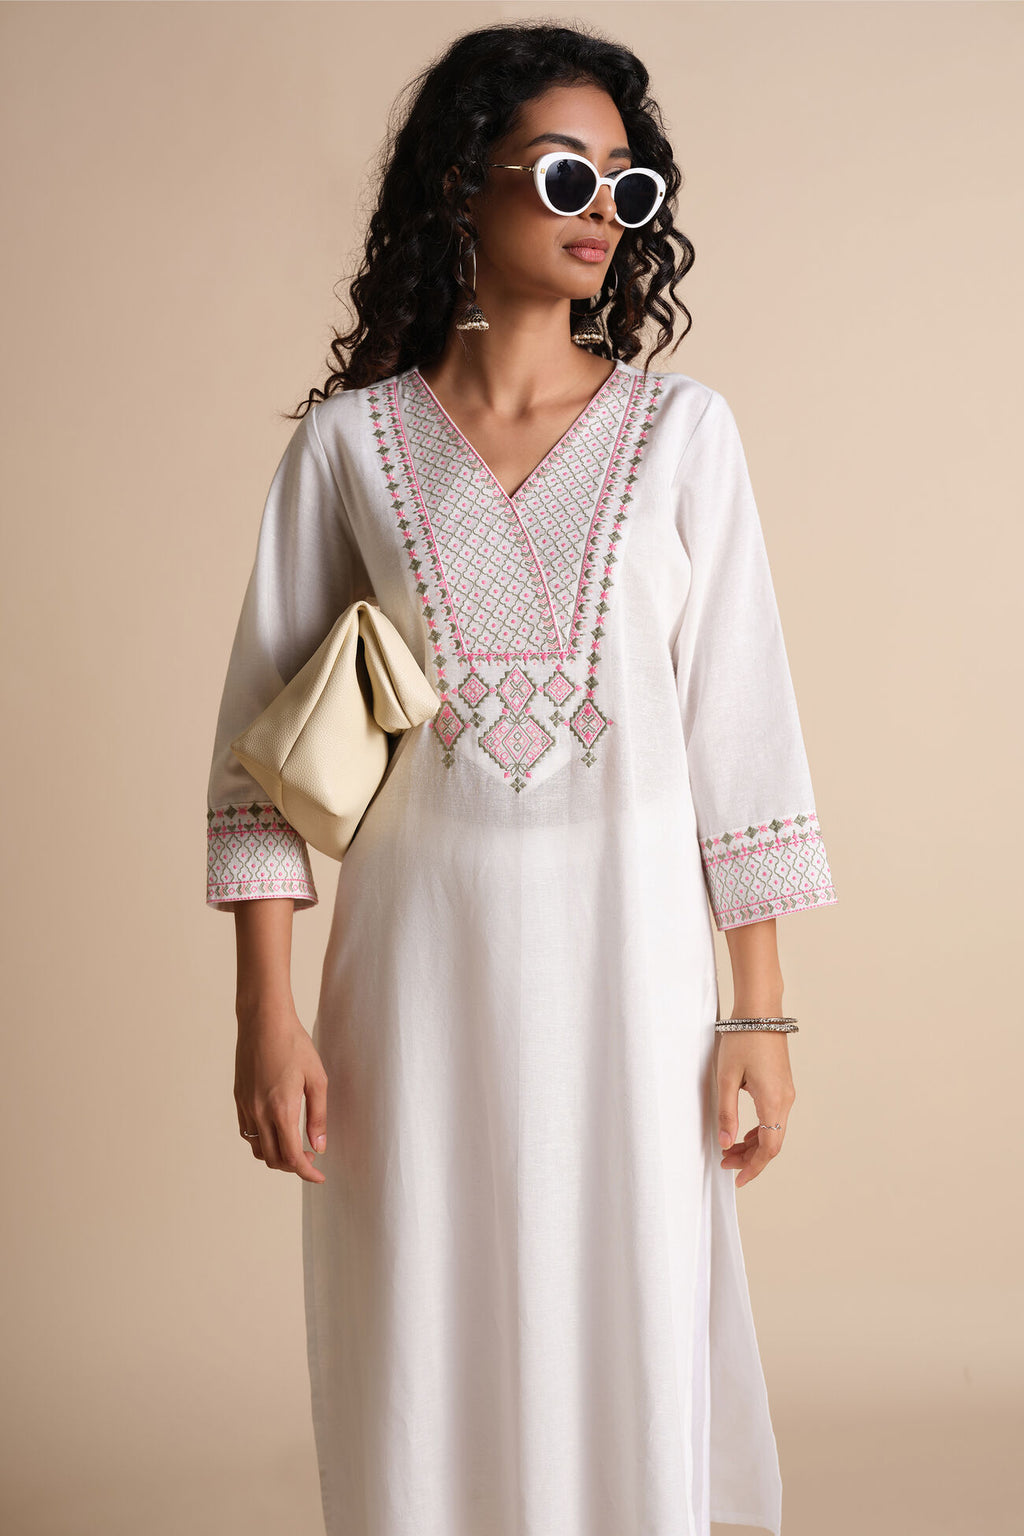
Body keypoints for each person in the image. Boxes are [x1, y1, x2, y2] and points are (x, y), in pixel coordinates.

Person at [205, 20, 837, 1536]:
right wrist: (265, 1012)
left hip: (631, 983)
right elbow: (261, 765)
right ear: (460, 187)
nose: (599, 211)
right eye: (563, 171)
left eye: (627, 186)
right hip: (413, 986)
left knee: (631, 1309)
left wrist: (755, 1011)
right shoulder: (351, 450)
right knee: (421, 1313)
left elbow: (738, 725)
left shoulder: (684, 434)